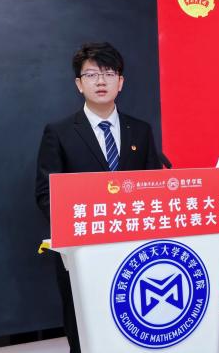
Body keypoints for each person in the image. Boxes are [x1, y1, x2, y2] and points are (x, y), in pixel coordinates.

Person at [35, 42, 163, 353]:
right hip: (83, 253)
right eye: (92, 74)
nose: (101, 81)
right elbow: (46, 194)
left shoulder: (141, 130)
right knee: (87, 331)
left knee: (134, 327)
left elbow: (154, 188)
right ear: (79, 84)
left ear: (121, 81)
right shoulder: (60, 132)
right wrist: (88, 225)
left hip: (133, 250)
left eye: (109, 73)